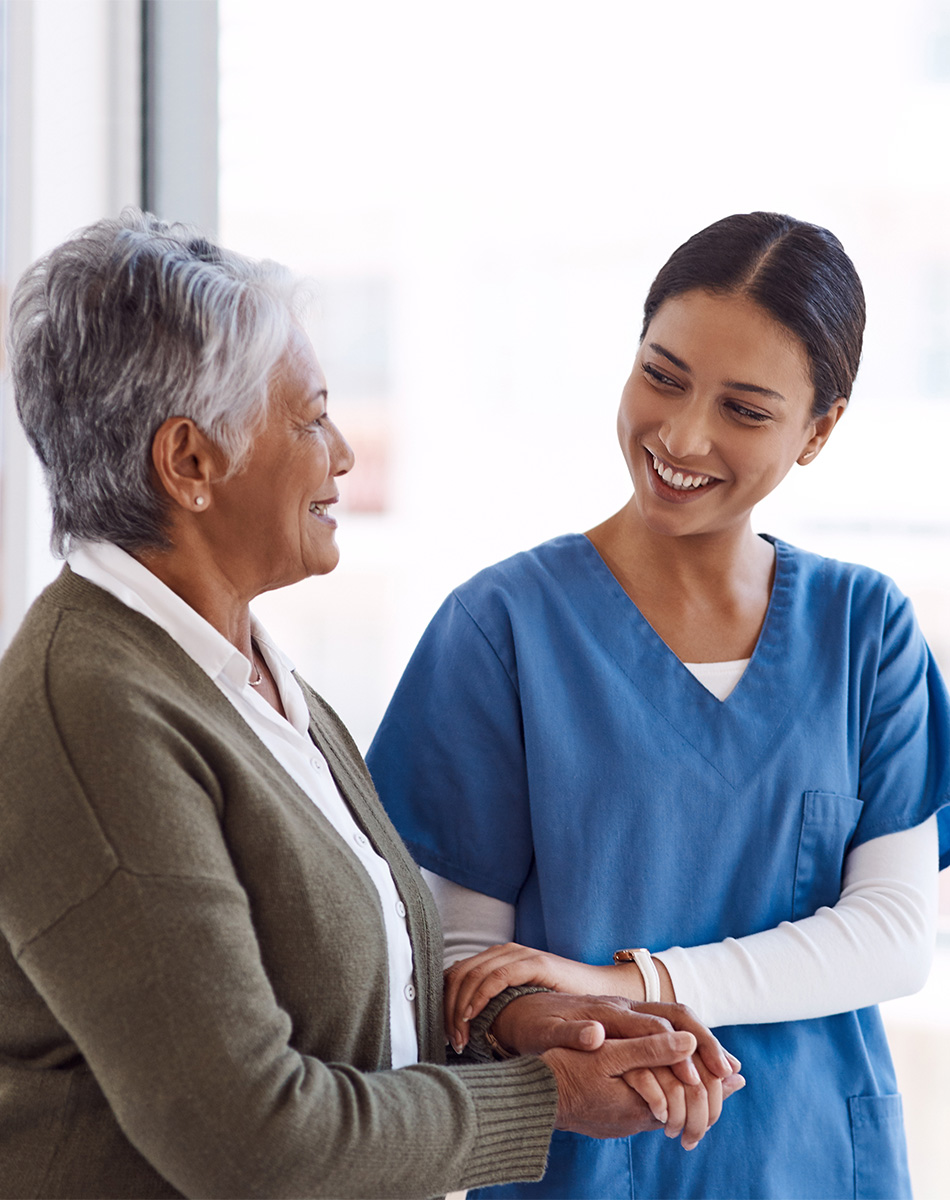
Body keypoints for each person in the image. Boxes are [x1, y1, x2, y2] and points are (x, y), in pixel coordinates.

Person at [0, 210, 743, 1200]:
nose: (342, 454)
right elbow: (249, 1140)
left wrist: (508, 1019)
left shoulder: (240, 673)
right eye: (309, 418)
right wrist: (542, 1096)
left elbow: (318, 991)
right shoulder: (93, 710)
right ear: (189, 464)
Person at [367, 212, 950, 1200]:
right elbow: (462, 960)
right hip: (586, 1165)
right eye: (662, 376)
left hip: (816, 1165)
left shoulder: (865, 632)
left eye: (744, 409)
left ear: (818, 429)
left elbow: (892, 935)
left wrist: (635, 982)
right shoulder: (500, 628)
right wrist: (574, 1019)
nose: (680, 437)